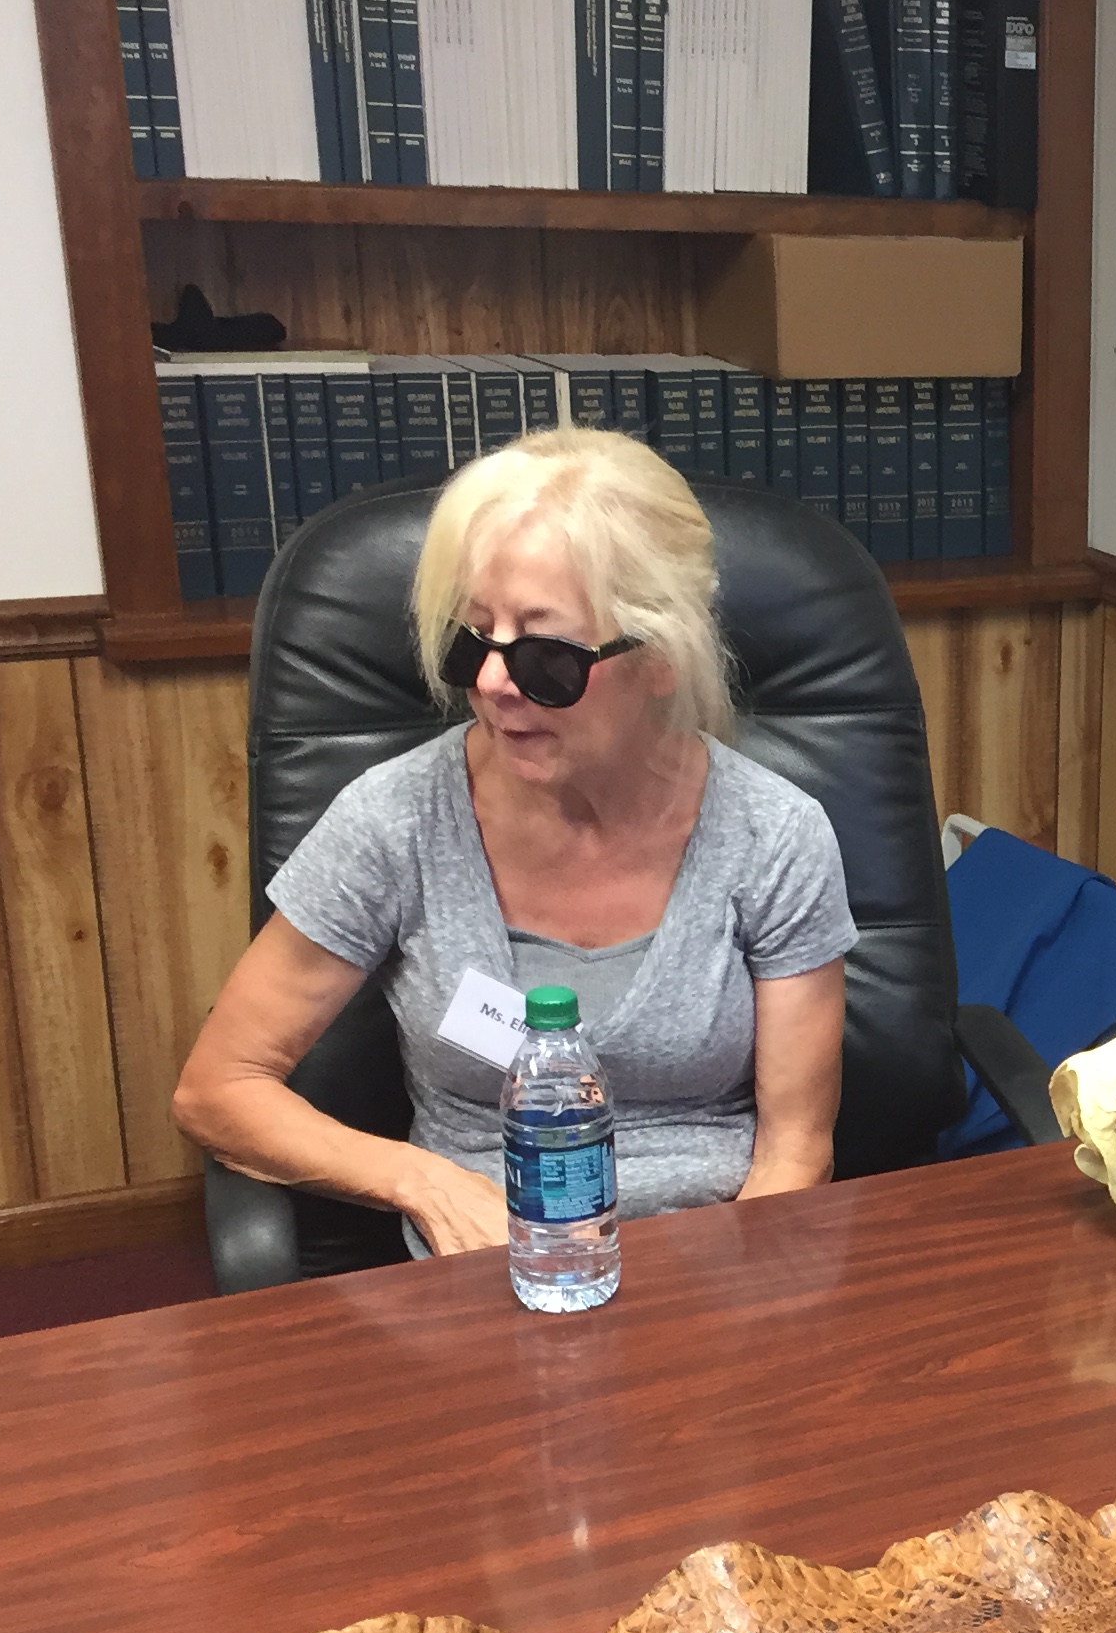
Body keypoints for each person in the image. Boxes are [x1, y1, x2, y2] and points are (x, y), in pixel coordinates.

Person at [174, 425, 855, 1258]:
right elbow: (218, 1088)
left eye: (546, 657)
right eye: (473, 640)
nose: (494, 684)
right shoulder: (395, 821)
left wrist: (724, 1316)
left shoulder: (774, 835)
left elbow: (795, 1154)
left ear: (662, 656)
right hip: (492, 1271)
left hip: (717, 1266)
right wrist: (424, 1181)